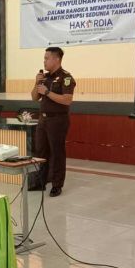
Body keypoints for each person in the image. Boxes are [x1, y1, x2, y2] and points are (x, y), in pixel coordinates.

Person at [30, 47, 76, 197]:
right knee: (40, 151)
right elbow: (34, 97)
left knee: (57, 153)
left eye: (46, 58)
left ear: (56, 59)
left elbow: (67, 100)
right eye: (44, 58)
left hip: (58, 120)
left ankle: (57, 185)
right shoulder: (45, 77)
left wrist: (48, 92)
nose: (44, 61)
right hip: (43, 119)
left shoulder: (66, 77)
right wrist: (36, 83)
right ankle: (41, 181)